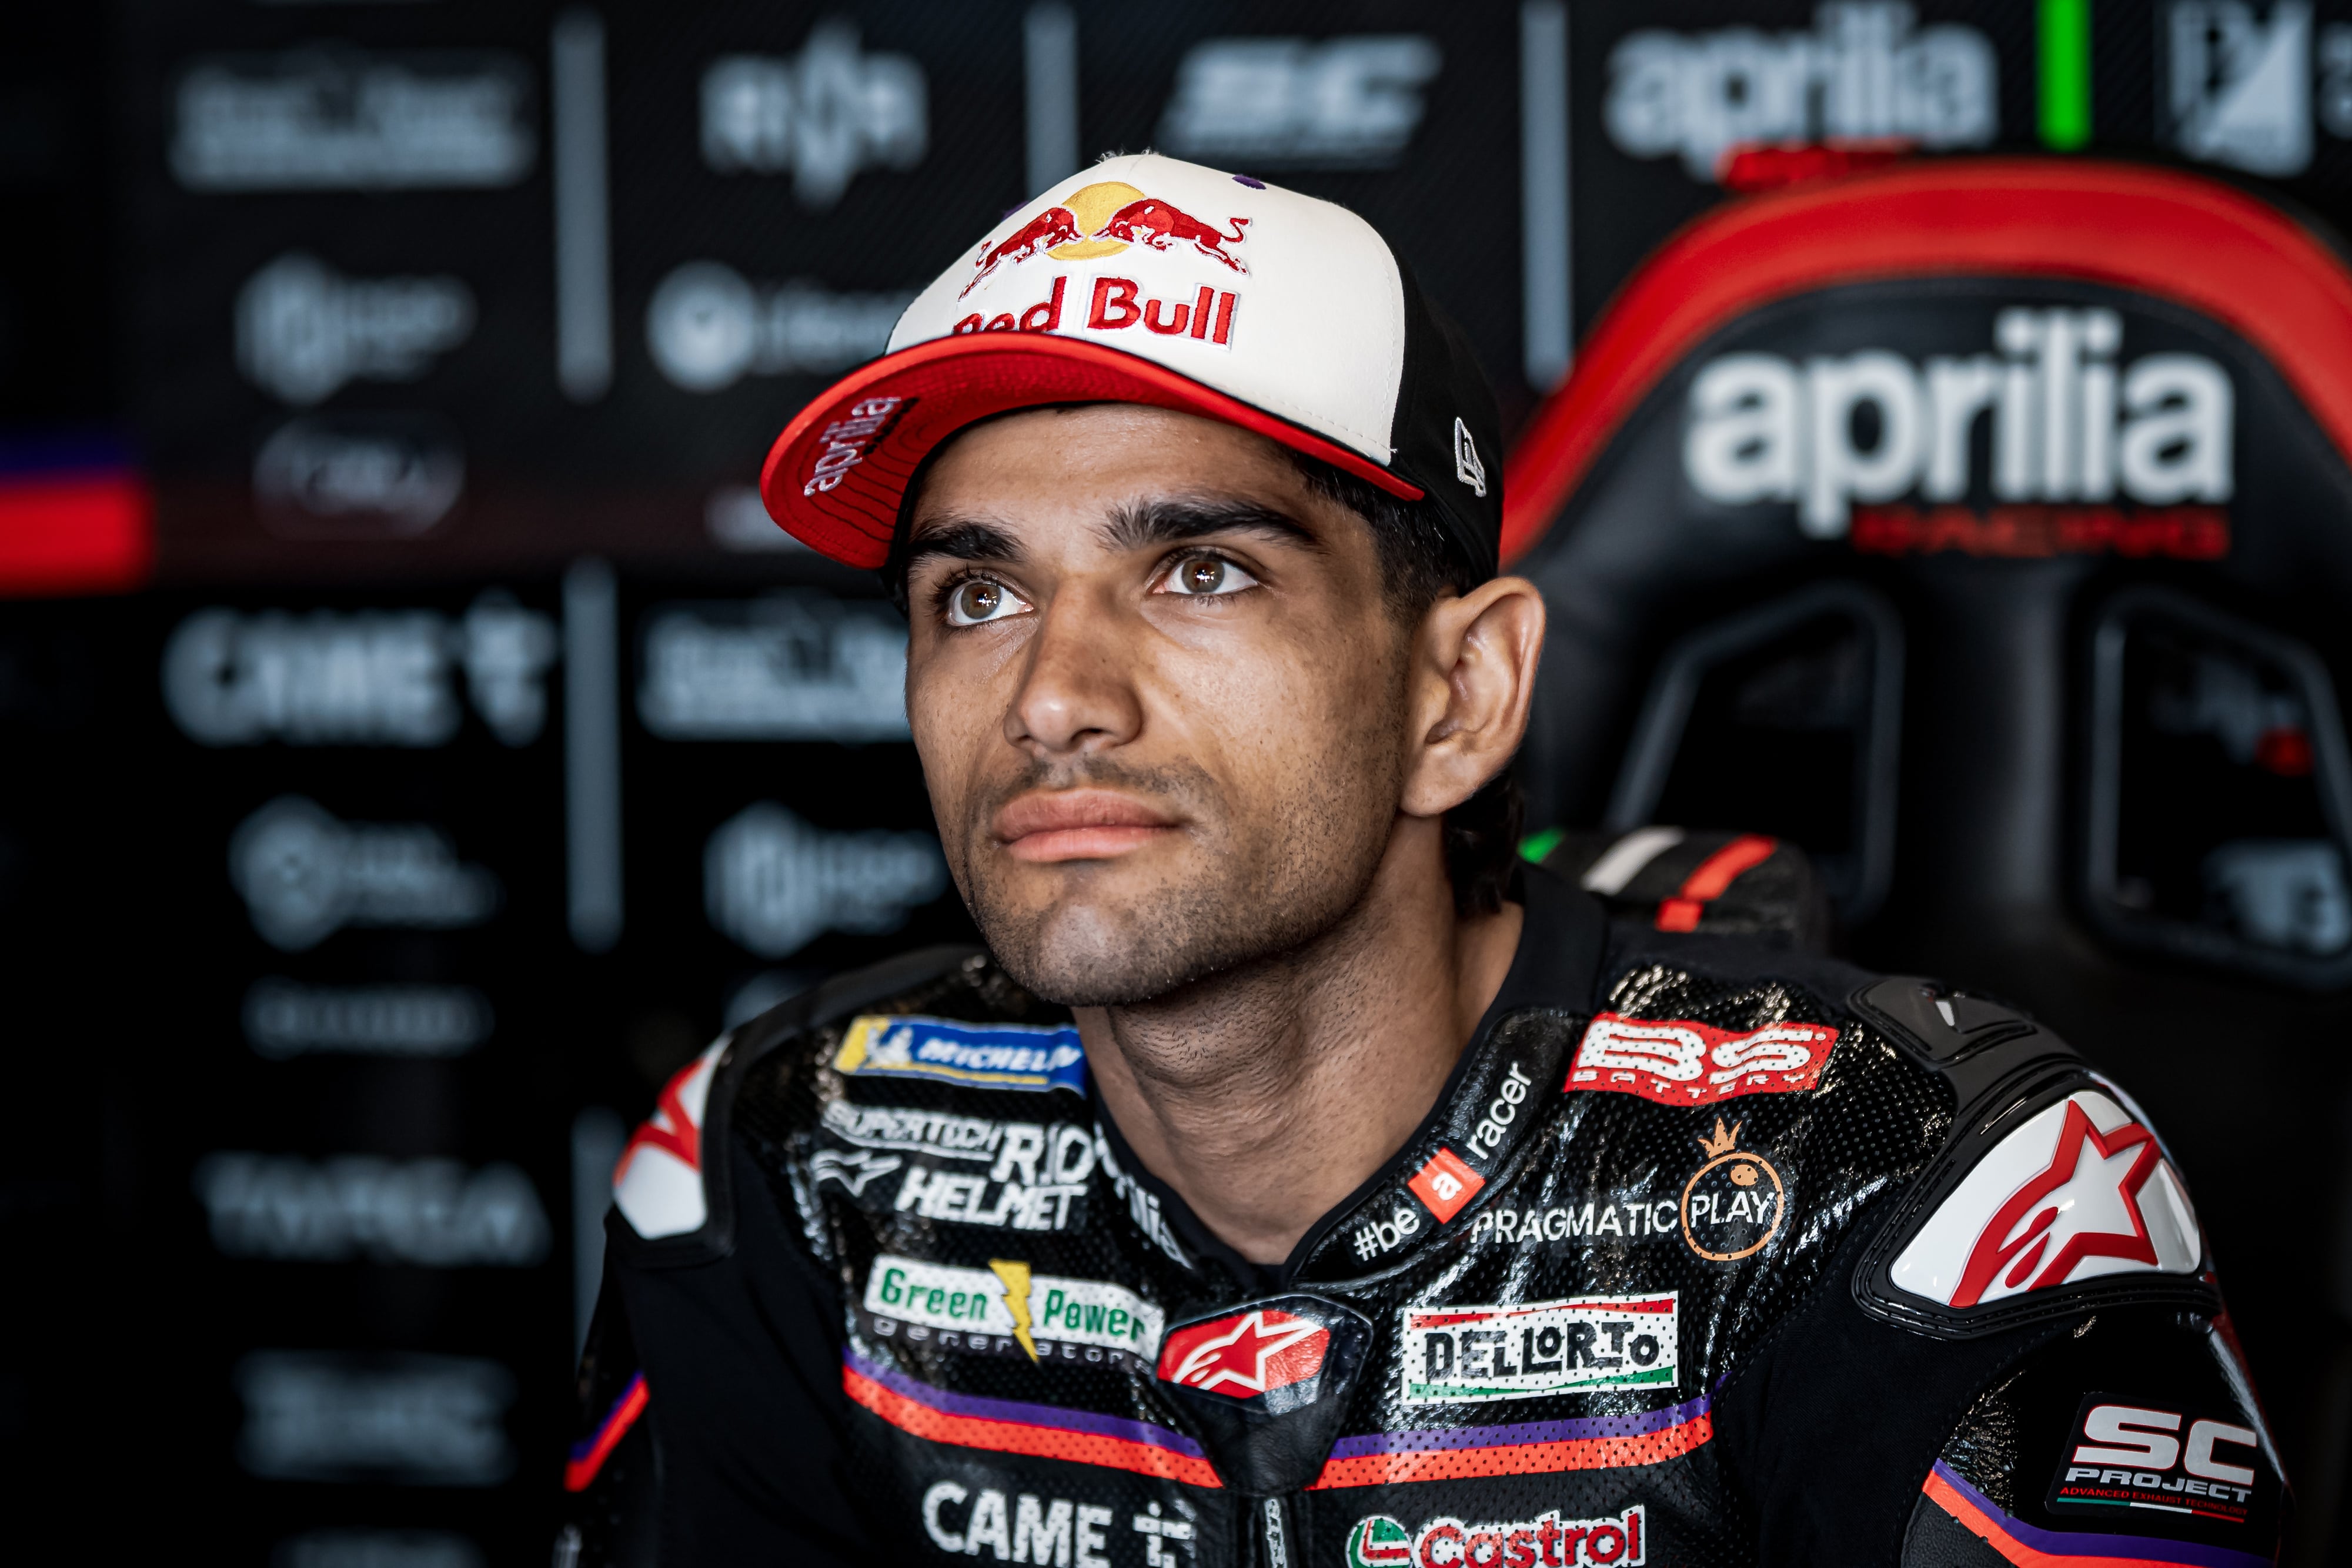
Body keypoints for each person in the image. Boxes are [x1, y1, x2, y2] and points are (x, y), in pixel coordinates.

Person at [562, 155, 2281, 1567]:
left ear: (1460, 694)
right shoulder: (790, 1162)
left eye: (1200, 573)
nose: (1055, 697)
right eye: (978, 594)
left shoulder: (1916, 1192)